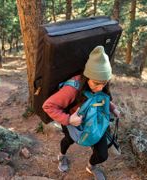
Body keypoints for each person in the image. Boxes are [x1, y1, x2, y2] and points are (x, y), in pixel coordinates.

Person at [43, 46, 120, 180]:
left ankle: (91, 166)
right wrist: (68, 120)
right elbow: (48, 106)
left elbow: (102, 98)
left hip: (95, 121)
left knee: (102, 154)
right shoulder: (72, 89)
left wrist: (112, 108)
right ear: (87, 76)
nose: (100, 88)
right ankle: (62, 156)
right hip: (73, 122)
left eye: (104, 83)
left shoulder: (101, 82)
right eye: (96, 83)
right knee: (69, 140)